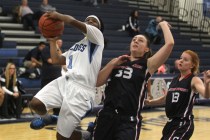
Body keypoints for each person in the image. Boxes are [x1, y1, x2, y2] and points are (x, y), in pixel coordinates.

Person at [92, 20, 174, 140]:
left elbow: (170, 44)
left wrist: (162, 24)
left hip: (127, 120)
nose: (136, 41)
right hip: (106, 115)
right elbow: (97, 82)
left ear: (146, 49)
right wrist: (112, 64)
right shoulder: (117, 61)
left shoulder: (148, 64)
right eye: (134, 39)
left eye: (140, 40)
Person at [29, 11, 104, 140]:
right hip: (66, 81)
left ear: (99, 27)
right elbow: (56, 60)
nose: (90, 21)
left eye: (93, 21)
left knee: (62, 137)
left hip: (82, 91)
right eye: (88, 20)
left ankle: (87, 136)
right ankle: (48, 118)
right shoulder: (77, 46)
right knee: (36, 104)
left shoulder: (97, 37)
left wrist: (58, 16)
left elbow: (72, 21)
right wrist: (53, 41)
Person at [145, 50, 210, 140]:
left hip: (183, 124)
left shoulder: (194, 79)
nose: (181, 61)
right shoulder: (174, 79)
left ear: (192, 65)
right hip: (170, 123)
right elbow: (164, 99)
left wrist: (207, 84)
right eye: (180, 58)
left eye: (185, 59)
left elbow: (206, 95)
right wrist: (148, 102)